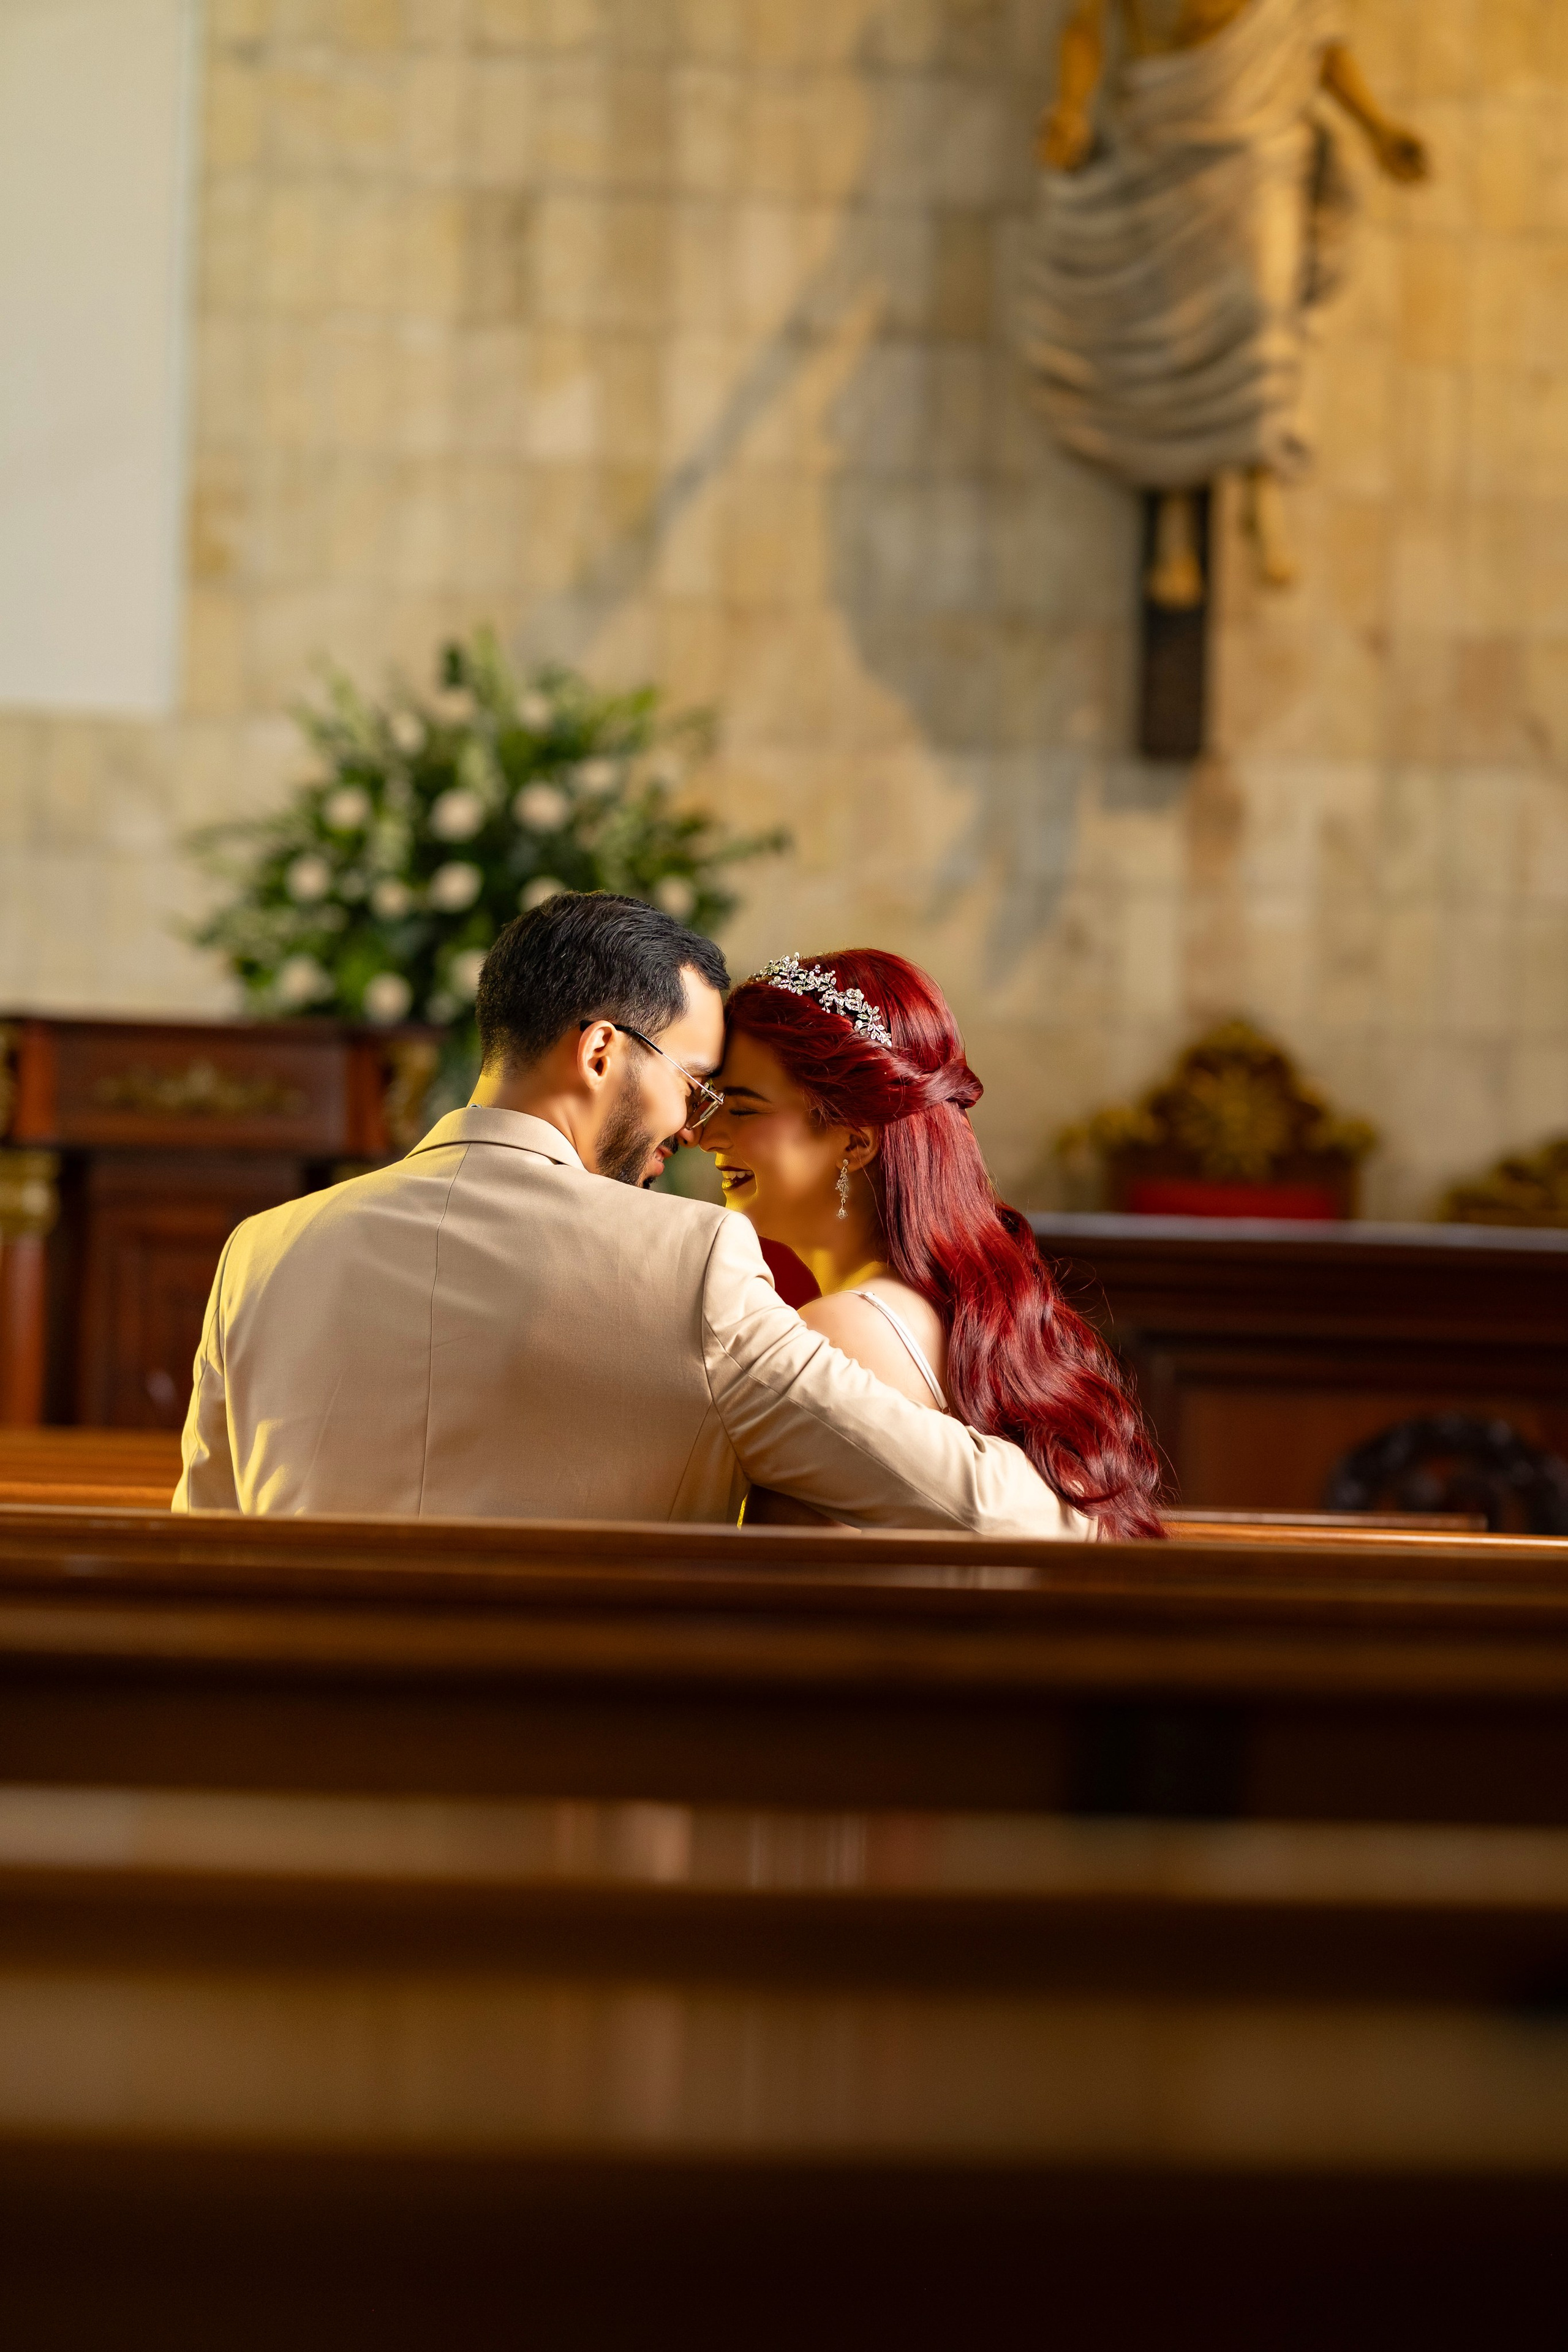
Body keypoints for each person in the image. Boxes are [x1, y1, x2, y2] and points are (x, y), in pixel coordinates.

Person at [173, 894, 1091, 1537]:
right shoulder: (691, 1262)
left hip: (296, 1775)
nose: (692, 1130)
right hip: (569, 1793)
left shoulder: (261, 1250)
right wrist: (1087, 1522)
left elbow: (200, 1544)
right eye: (694, 1085)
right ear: (603, 1052)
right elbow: (958, 1496)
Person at [701, 950, 1164, 1539]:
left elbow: (797, 1607)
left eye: (741, 1107)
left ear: (853, 1143)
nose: (703, 1133)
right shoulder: (958, 1308)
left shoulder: (840, 1337)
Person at [1023, 0, 1428, 605]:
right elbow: (1085, 25)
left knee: (1266, 306)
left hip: (1257, 141)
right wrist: (1071, 108)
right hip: (1166, 134)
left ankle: (1261, 478)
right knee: (1170, 333)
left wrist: (1376, 128)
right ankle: (1172, 513)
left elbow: (1314, 39)